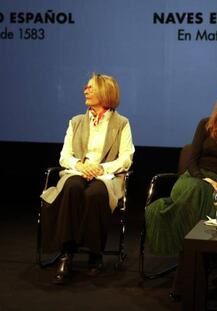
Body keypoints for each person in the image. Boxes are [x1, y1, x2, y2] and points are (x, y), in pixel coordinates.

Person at [145, 82, 217, 297]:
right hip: (193, 178)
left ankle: (186, 277)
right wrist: (203, 178)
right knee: (196, 192)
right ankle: (210, 267)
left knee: (203, 202)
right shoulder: (206, 124)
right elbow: (192, 159)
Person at [40, 73, 135, 284]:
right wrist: (80, 166)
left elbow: (126, 158)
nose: (85, 90)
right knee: (72, 188)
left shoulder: (122, 123)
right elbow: (64, 156)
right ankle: (67, 253)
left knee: (96, 194)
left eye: (90, 87)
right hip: (77, 172)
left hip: (106, 176)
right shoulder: (76, 121)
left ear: (105, 91)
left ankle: (95, 253)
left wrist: (100, 168)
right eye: (87, 87)